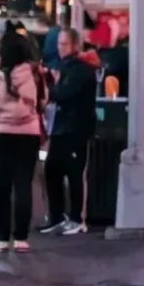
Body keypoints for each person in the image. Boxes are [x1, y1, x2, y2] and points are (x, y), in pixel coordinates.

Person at [0, 28, 47, 252]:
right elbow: (43, 102)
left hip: (0, 134)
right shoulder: (35, 73)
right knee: (23, 185)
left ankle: (1, 238)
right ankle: (21, 238)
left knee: (1, 187)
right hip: (28, 134)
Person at [42, 29, 99, 234]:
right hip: (60, 128)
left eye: (64, 44)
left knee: (74, 174)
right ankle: (57, 217)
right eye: (59, 43)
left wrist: (51, 83)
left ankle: (76, 219)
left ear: (75, 45)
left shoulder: (81, 69)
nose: (60, 47)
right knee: (52, 172)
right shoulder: (64, 67)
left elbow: (62, 93)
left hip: (76, 129)